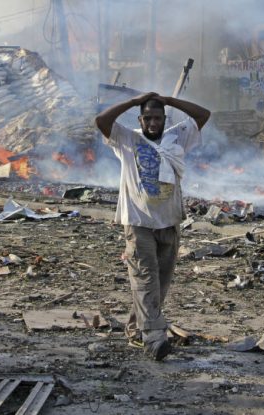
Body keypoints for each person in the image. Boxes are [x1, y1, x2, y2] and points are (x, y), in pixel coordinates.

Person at [95, 92, 210, 361]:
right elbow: (101, 120)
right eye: (147, 118)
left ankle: (137, 328)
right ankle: (154, 338)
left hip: (169, 221)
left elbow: (203, 115)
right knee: (145, 278)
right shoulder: (127, 139)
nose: (153, 123)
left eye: (157, 118)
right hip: (138, 222)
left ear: (164, 119)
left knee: (159, 284)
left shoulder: (175, 138)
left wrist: (170, 100)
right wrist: (134, 101)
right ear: (140, 119)